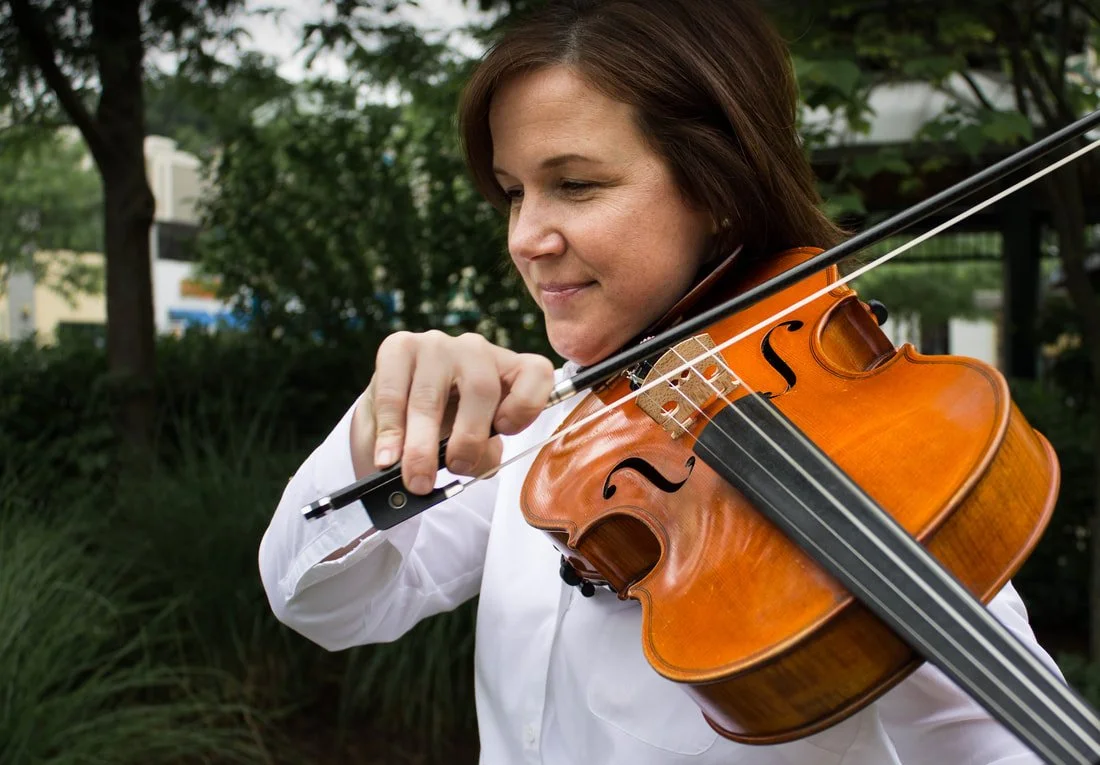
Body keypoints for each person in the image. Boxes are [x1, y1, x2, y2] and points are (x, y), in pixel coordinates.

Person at [259, 1, 1062, 762]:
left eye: (575, 184)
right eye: (512, 192)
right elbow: (323, 602)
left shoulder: (858, 455)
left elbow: (1003, 740)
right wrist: (386, 423)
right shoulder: (551, 429)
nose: (526, 238)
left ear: (716, 188)